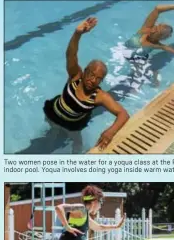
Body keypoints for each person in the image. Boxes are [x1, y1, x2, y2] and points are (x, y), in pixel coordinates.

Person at [43, 17, 129, 151]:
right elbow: (70, 54)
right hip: (54, 112)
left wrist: (110, 132)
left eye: (98, 78)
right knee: (52, 134)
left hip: (74, 123)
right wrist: (77, 34)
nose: (93, 80)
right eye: (91, 75)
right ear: (84, 72)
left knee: (77, 142)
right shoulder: (75, 76)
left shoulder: (99, 96)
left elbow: (123, 114)